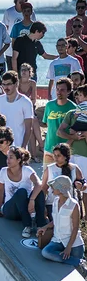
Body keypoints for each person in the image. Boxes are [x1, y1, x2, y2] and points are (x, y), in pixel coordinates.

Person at [0, 146, 46, 238]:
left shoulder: (27, 170)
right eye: (7, 157)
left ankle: (40, 225)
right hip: (10, 210)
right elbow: (0, 190)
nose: (8, 160)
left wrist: (32, 200)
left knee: (39, 192)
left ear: (18, 160)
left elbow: (39, 184)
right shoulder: (3, 171)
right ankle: (27, 226)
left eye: (11, 157)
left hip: (26, 209)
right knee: (21, 192)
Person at [37, 176, 85, 269]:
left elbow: (75, 228)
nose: (51, 190)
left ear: (61, 189)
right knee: (46, 252)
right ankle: (79, 262)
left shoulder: (73, 205)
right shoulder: (55, 201)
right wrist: (45, 227)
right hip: (57, 241)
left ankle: (79, 262)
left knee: (77, 273)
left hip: (74, 243)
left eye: (54, 187)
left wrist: (68, 247)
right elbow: (55, 220)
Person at [58, 84, 87, 216]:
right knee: (68, 189)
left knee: (85, 190)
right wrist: (73, 137)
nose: (78, 99)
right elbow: (60, 132)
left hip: (85, 157)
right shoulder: (71, 114)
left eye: (80, 96)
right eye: (77, 96)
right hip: (70, 158)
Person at [41, 143, 84, 220]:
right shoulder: (49, 169)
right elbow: (44, 189)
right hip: (52, 203)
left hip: (70, 204)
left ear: (65, 157)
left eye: (58, 155)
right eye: (54, 155)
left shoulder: (74, 168)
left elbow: (83, 183)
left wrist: (80, 186)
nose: (56, 158)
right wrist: (43, 206)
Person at [0, 70, 33, 148]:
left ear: (16, 84)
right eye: (3, 84)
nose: (5, 87)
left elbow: (29, 129)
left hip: (18, 146)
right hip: (1, 146)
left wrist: (23, 147)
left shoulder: (26, 102)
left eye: (9, 84)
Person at [42, 77, 76, 166]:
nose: (59, 92)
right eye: (57, 89)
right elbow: (46, 124)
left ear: (69, 92)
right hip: (49, 148)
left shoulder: (73, 108)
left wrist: (66, 148)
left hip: (64, 152)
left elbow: (75, 132)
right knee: (47, 177)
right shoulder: (49, 105)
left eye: (62, 90)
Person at [2, 0, 36, 71]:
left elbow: (34, 29)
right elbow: (5, 29)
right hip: (11, 48)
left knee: (26, 72)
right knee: (12, 72)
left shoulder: (31, 13)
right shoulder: (9, 12)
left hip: (26, 49)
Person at [18, 63, 44, 160]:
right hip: (19, 108)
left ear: (30, 72)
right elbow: (16, 98)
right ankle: (41, 146)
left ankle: (34, 154)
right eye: (22, 70)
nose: (24, 72)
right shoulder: (17, 82)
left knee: (33, 126)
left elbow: (34, 99)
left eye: (26, 70)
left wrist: (27, 105)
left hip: (29, 107)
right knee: (34, 122)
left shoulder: (32, 83)